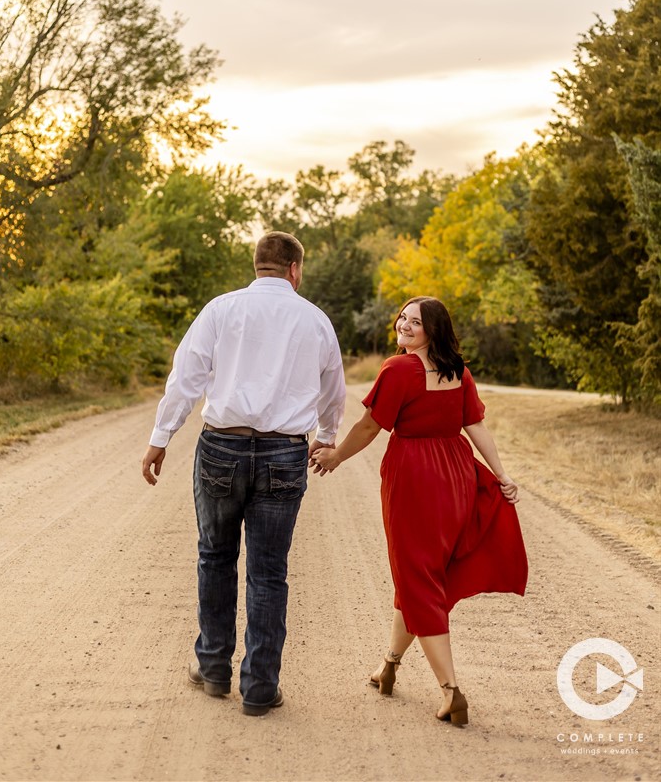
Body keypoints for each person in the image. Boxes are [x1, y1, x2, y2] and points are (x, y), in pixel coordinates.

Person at [142, 231, 345, 716]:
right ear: (295, 269)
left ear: (257, 266)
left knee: (214, 556)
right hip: (283, 453)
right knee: (269, 572)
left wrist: (160, 436)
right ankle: (259, 687)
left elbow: (186, 377)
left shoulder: (221, 309)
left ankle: (213, 668)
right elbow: (332, 389)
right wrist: (328, 435)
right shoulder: (314, 319)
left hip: (221, 447)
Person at [311, 296, 527, 726]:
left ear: (433, 329)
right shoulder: (458, 371)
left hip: (415, 479)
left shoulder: (398, 369)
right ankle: (389, 665)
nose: (404, 326)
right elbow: (475, 425)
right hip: (456, 475)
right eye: (403, 318)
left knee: (418, 577)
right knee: (422, 574)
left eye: (416, 322)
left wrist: (336, 455)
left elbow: (372, 425)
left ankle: (451, 691)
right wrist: (498, 473)